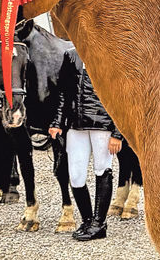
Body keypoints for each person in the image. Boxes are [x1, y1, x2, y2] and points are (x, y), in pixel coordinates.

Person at [48, 43, 122, 242]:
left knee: (102, 169)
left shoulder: (111, 54)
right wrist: (57, 122)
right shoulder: (71, 56)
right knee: (76, 175)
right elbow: (63, 92)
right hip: (75, 125)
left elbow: (120, 95)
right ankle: (88, 220)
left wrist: (117, 132)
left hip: (103, 124)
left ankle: (99, 223)